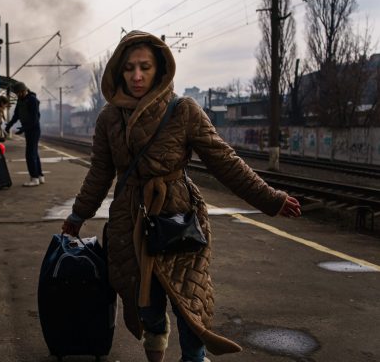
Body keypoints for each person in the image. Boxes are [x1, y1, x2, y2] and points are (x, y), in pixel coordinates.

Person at [60, 31, 301, 362]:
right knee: (147, 305)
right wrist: (77, 215)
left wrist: (270, 199)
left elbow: (225, 161)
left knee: (189, 306)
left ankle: (194, 358)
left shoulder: (183, 111)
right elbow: (100, 174)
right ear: (119, 71)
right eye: (129, 68)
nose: (137, 76)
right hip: (129, 221)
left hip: (179, 218)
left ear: (160, 69)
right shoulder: (109, 118)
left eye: (145, 67)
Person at [6, 81, 44, 187]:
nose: (18, 95)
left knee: (30, 154)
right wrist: (9, 125)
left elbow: (35, 119)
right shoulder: (21, 100)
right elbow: (16, 115)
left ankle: (34, 178)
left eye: (18, 93)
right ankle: (40, 176)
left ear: (23, 91)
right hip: (29, 129)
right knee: (34, 153)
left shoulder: (32, 100)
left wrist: (23, 128)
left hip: (34, 129)